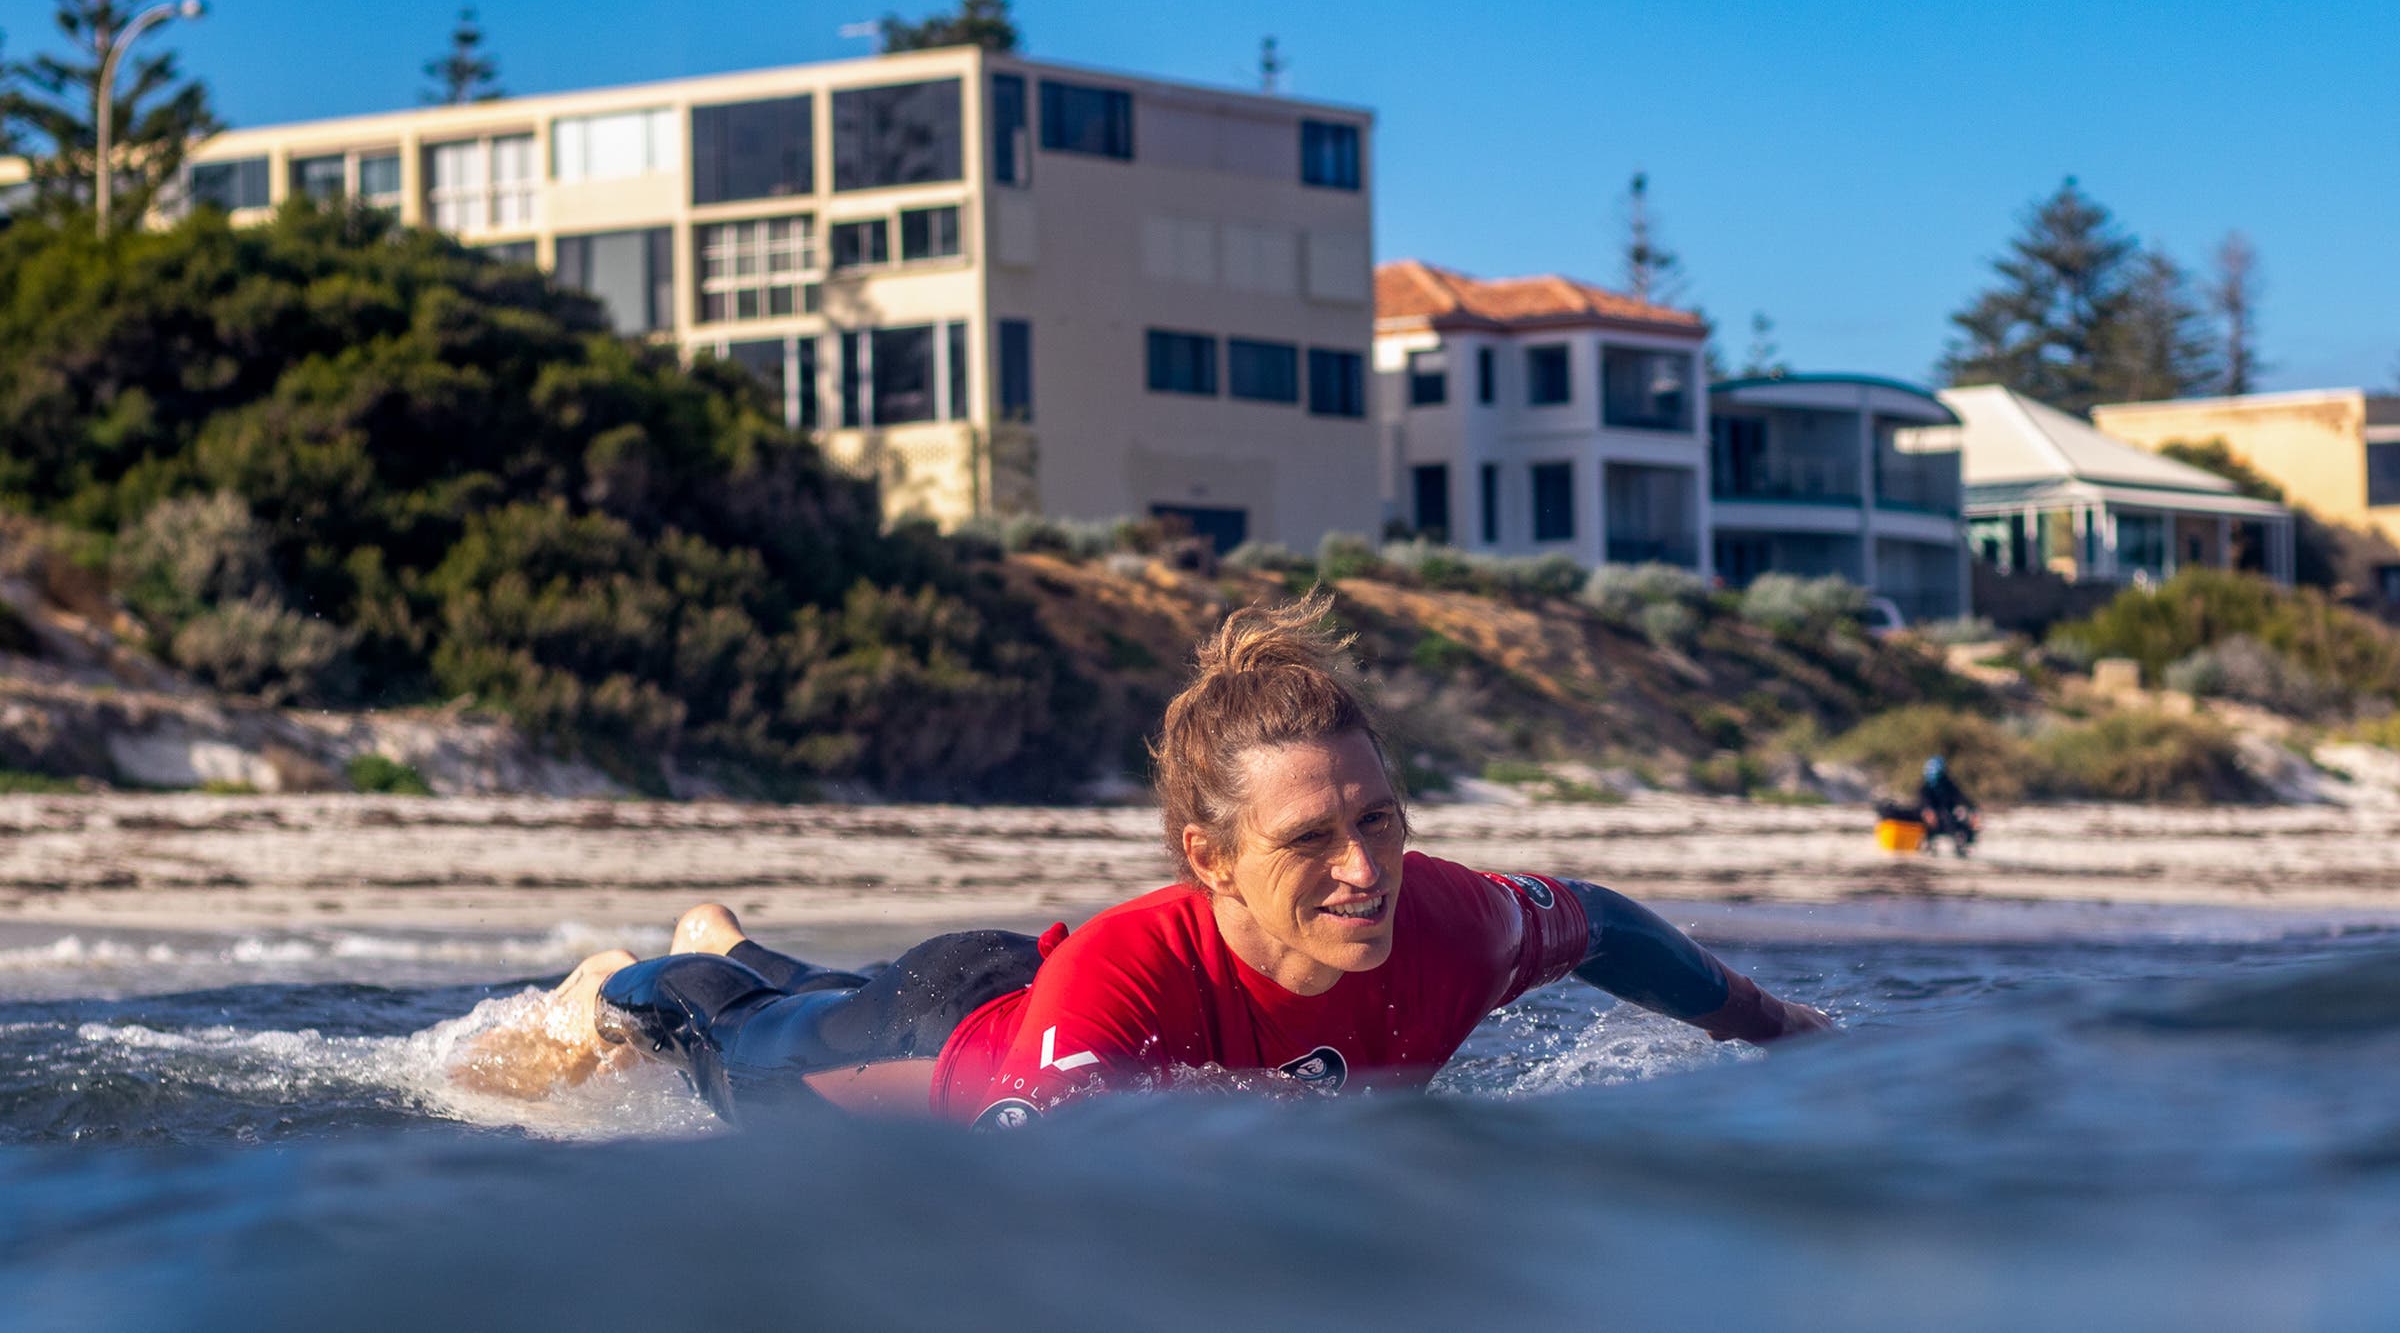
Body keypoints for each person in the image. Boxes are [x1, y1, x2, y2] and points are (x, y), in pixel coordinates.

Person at [457, 592, 1832, 1126]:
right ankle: (667, 964)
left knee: (786, 982)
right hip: (959, 1024)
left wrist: (1779, 1027)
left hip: (1024, 983)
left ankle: (727, 934)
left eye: (1380, 817)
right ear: (1210, 856)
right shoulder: (1135, 974)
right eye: (1309, 837)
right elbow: (1045, 1201)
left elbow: (1599, 923)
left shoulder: (1456, 923)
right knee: (732, 1034)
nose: (1365, 867)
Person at [1918, 756, 1980, 857]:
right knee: (1935, 818)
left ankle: (1963, 845)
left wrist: (1974, 812)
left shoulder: (1948, 785)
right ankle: (1928, 844)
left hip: (1947, 817)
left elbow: (1962, 798)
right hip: (1929, 820)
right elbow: (1923, 802)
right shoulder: (1924, 787)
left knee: (1960, 820)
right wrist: (1928, 811)